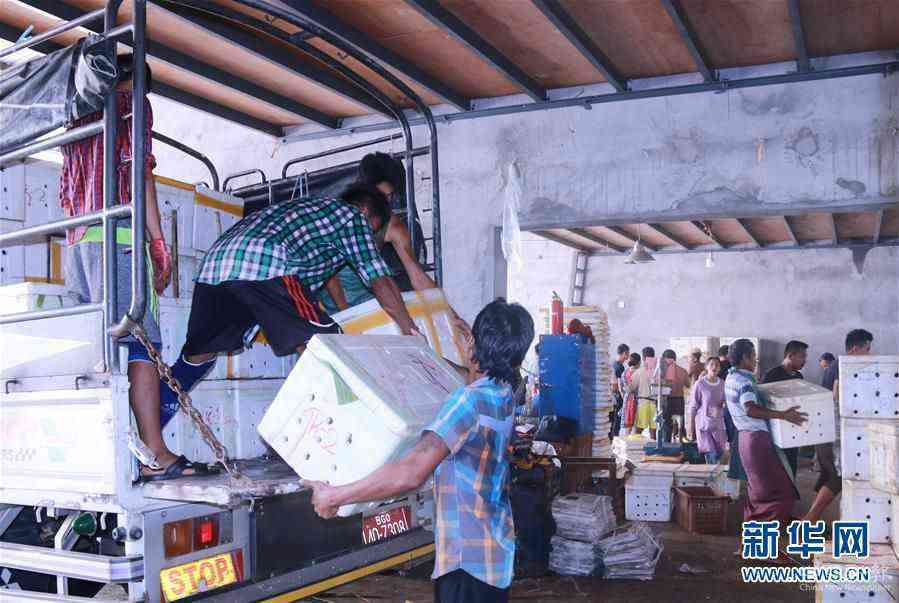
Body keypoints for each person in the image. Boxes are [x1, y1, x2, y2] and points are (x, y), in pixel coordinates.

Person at [138, 184, 420, 481]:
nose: (374, 240)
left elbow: (313, 289)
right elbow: (380, 280)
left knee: (197, 358)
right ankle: (352, 455)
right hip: (263, 262)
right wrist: (411, 331)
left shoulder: (308, 215)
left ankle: (146, 446)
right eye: (376, 231)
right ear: (366, 213)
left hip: (216, 268)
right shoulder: (352, 218)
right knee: (330, 352)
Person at [305, 299, 535, 602]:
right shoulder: (504, 393)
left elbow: (411, 473)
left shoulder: (468, 402)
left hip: (466, 564)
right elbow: (469, 382)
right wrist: (430, 356)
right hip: (494, 553)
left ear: (474, 345)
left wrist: (335, 495)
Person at [60, 55, 175, 475]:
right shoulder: (131, 106)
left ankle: (102, 455)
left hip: (76, 243)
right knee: (144, 345)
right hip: (119, 238)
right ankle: (154, 453)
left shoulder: (78, 116)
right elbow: (141, 173)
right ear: (136, 83)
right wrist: (158, 244)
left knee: (99, 348)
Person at [321, 152, 437, 313]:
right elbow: (329, 277)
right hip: (332, 303)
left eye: (389, 196)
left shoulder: (392, 225)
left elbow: (417, 276)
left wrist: (449, 313)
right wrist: (346, 314)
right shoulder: (336, 216)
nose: (384, 203)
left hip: (367, 299)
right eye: (379, 196)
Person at [725, 339, 807, 535]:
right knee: (780, 493)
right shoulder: (744, 381)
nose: (755, 359)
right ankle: (766, 545)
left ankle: (751, 543)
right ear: (745, 357)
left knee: (758, 493)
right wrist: (783, 415)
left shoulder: (731, 377)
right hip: (756, 440)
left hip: (746, 439)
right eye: (753, 356)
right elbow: (750, 409)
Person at [804, 329, 873, 523]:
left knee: (829, 475)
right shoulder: (844, 366)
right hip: (835, 430)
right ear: (854, 348)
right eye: (867, 349)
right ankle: (810, 518)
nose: (869, 354)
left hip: (825, 428)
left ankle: (811, 519)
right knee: (841, 475)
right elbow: (837, 395)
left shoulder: (834, 365)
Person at [762, 340, 808, 477]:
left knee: (791, 464)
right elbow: (764, 405)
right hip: (775, 432)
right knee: (777, 468)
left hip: (793, 430)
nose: (805, 361)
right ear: (790, 355)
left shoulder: (799, 377)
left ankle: (790, 495)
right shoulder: (772, 376)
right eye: (802, 357)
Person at [688, 356, 727, 463]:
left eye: (717, 365)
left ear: (720, 368)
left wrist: (724, 404)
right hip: (704, 425)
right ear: (706, 367)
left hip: (718, 425)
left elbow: (726, 401)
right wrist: (690, 426)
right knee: (711, 455)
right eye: (712, 364)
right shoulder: (700, 384)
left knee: (720, 455)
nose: (714, 367)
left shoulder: (723, 384)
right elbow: (693, 406)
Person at [660, 349, 689, 442]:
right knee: (680, 424)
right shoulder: (683, 371)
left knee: (667, 425)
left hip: (667, 400)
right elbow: (688, 385)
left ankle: (666, 444)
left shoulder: (662, 372)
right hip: (679, 400)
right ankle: (681, 446)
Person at [630, 347, 658, 439]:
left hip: (643, 403)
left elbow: (631, 388)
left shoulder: (639, 372)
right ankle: (654, 450)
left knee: (638, 431)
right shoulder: (658, 371)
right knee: (653, 432)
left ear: (643, 358)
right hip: (655, 404)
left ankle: (635, 449)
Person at [611, 343, 630, 438]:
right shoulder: (620, 367)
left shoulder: (614, 364)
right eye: (628, 354)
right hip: (618, 397)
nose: (628, 356)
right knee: (617, 420)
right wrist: (624, 397)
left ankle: (613, 439)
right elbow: (619, 385)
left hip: (614, 396)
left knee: (614, 420)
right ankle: (614, 439)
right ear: (624, 353)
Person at [621, 353, 641, 436]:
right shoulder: (639, 372)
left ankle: (627, 442)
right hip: (637, 399)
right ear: (639, 362)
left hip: (627, 398)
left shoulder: (625, 372)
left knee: (627, 422)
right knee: (636, 423)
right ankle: (633, 443)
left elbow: (622, 387)